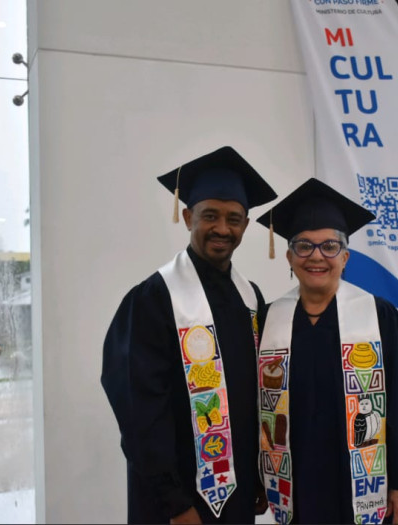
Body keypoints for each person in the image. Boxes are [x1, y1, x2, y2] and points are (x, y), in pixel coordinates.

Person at [254, 178, 398, 525]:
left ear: (345, 257)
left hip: (367, 488)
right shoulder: (268, 319)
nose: (317, 256)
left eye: (329, 246)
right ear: (289, 257)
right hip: (297, 485)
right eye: (304, 246)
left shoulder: (378, 317)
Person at [101, 146, 277, 524]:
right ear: (187, 217)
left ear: (246, 225)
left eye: (234, 219)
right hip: (177, 504)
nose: (222, 229)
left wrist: (261, 475)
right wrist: (175, 503)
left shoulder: (251, 299)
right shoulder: (153, 299)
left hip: (238, 490)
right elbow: (139, 412)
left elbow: (258, 398)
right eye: (209, 216)